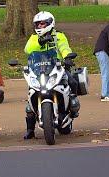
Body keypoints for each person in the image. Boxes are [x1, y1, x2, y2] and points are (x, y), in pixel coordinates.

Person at [23, 11, 79, 139]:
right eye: (37, 24)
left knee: (72, 82)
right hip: (39, 71)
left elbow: (64, 47)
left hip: (56, 68)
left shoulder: (59, 35)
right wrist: (40, 42)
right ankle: (30, 130)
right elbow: (28, 49)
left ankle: (72, 106)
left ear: (50, 23)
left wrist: (67, 58)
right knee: (31, 92)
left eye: (43, 24)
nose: (40, 27)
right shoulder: (33, 37)